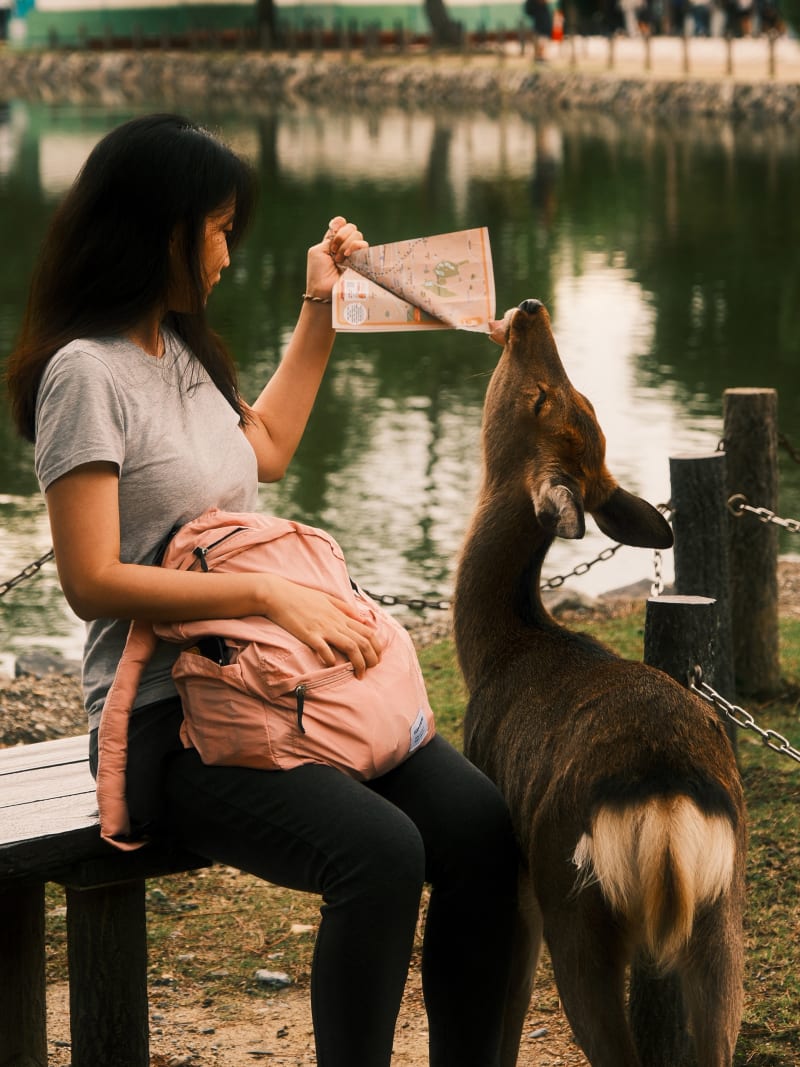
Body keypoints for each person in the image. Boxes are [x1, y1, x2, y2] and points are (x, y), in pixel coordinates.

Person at [5, 114, 519, 1067]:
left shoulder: (184, 351)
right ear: (161, 229)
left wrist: (319, 305)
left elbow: (268, 450)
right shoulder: (84, 374)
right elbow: (88, 581)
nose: (227, 254)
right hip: (171, 717)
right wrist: (271, 597)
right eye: (218, 229)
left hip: (275, 688)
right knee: (380, 854)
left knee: (481, 829)